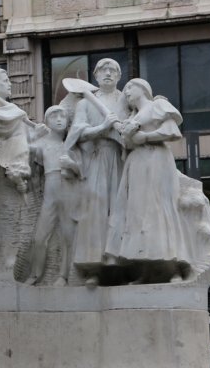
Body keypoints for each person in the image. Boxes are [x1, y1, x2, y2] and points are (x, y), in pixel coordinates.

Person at [105, 78, 190, 284]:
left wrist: (145, 136)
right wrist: (127, 135)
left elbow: (172, 132)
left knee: (158, 211)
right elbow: (128, 144)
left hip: (155, 159)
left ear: (143, 89)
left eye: (129, 88)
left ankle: (173, 269)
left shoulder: (157, 105)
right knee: (137, 215)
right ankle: (148, 270)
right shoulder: (131, 116)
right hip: (136, 163)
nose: (126, 93)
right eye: (125, 90)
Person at [65, 59, 127, 286]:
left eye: (113, 70)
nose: (108, 73)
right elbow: (77, 134)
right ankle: (93, 267)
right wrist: (102, 128)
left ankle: (122, 264)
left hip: (121, 159)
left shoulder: (125, 100)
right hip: (96, 158)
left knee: (120, 209)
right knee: (95, 210)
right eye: (103, 70)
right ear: (96, 75)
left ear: (119, 76)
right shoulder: (85, 103)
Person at [24, 106, 80, 287]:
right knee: (40, 236)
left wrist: (71, 164)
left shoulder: (72, 144)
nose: (59, 119)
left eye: (62, 116)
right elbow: (27, 156)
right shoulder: (41, 143)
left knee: (68, 235)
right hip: (50, 187)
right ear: (46, 121)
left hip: (69, 188)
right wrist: (32, 137)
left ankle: (63, 275)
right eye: (54, 116)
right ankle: (35, 274)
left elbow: (83, 171)